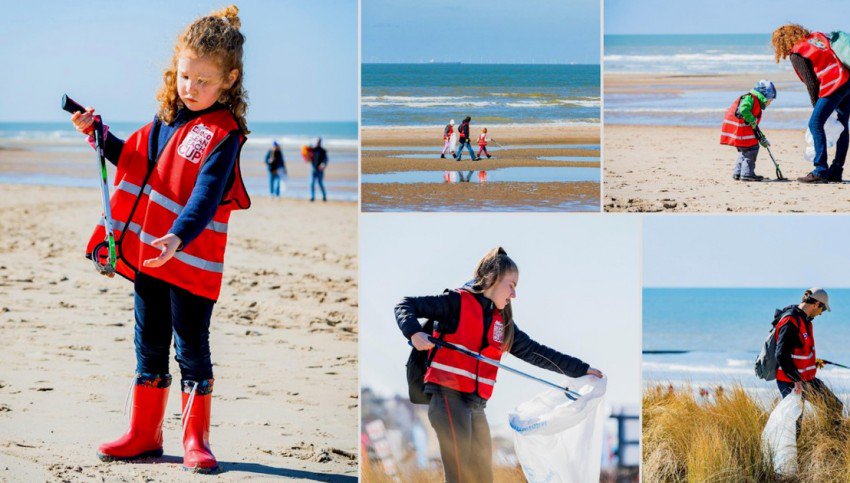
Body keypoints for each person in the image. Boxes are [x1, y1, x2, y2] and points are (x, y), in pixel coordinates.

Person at [69, 5, 250, 473]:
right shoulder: (165, 118)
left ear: (230, 80)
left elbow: (207, 195)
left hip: (188, 258)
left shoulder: (224, 134)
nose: (191, 89)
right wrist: (98, 134)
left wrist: (178, 235)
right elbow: (132, 160)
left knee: (192, 346)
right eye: (186, 77)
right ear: (177, 67)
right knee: (148, 342)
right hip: (150, 255)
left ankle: (196, 438)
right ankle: (144, 433)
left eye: (204, 81)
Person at [395, 247, 604, 483]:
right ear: (492, 278)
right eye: (511, 285)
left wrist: (582, 369)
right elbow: (405, 305)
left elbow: (538, 353)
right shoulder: (456, 303)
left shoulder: (502, 324)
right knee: (460, 476)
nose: (514, 294)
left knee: (483, 478)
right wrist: (413, 333)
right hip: (447, 399)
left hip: (476, 406)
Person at [772, 24, 850, 183]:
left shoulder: (797, 53)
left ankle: (820, 170)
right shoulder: (816, 38)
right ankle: (836, 171)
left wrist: (817, 108)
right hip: (847, 80)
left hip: (834, 84)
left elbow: (811, 83)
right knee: (842, 125)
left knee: (815, 123)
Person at [774, 288, 843, 435]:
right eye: (822, 309)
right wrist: (796, 381)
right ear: (816, 304)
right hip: (791, 381)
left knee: (835, 406)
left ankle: (833, 443)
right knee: (795, 424)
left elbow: (798, 351)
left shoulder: (804, 320)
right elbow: (781, 355)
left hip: (805, 379)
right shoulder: (790, 320)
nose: (821, 313)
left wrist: (814, 362)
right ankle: (791, 456)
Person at [720, 80, 776, 182]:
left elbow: (755, 128)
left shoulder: (754, 100)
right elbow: (744, 109)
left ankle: (738, 172)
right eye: (770, 100)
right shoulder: (750, 98)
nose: (770, 102)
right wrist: (751, 119)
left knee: (745, 150)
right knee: (752, 149)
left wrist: (762, 138)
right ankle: (747, 174)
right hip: (741, 132)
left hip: (741, 133)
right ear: (765, 95)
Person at [311, 137, 328, 202]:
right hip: (313, 169)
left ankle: (324, 196)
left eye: (319, 141)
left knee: (320, 183)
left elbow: (326, 160)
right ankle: (312, 197)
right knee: (312, 183)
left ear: (320, 142)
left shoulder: (323, 151)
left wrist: (323, 164)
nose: (318, 142)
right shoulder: (313, 150)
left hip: (320, 170)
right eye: (317, 141)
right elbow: (308, 157)